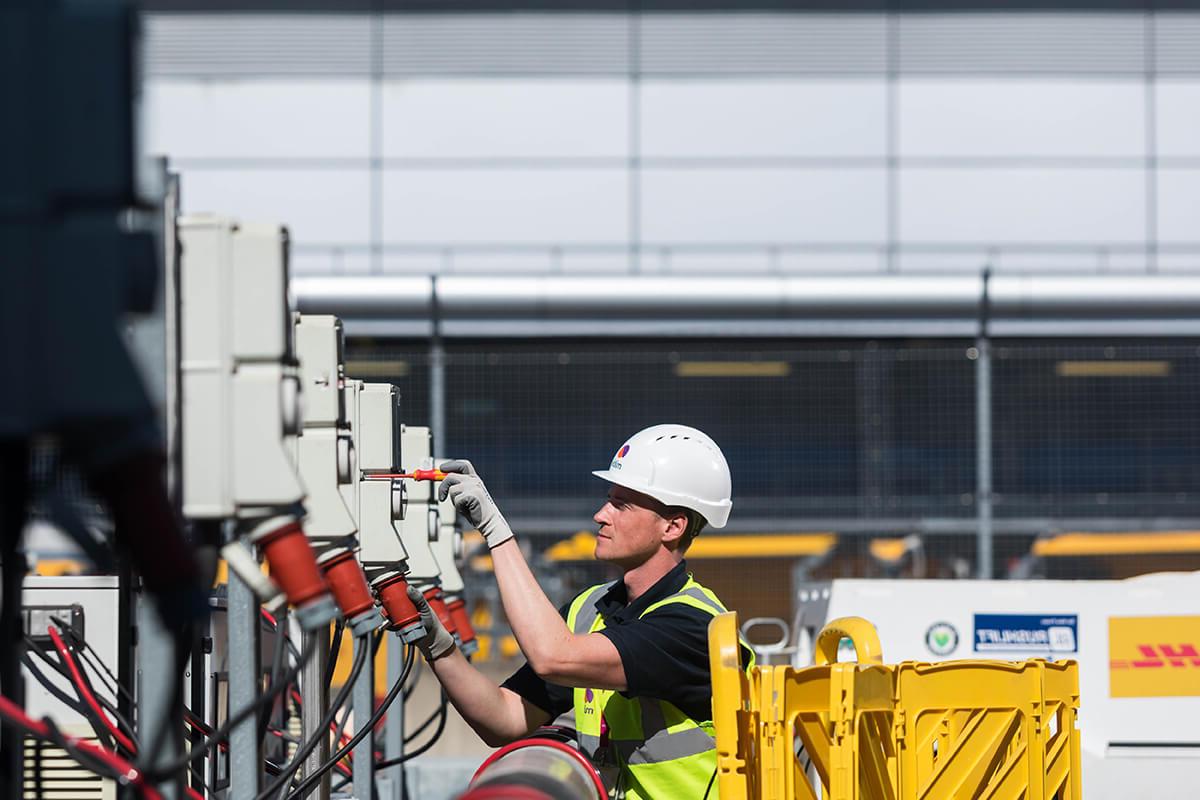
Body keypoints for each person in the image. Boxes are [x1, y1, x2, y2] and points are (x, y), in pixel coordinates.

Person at [405, 423, 754, 799]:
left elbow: (553, 656)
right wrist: (437, 645)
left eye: (622, 504)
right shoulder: (591, 610)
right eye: (609, 499)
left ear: (673, 526)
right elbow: (504, 720)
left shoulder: (692, 626)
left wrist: (495, 530)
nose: (601, 514)